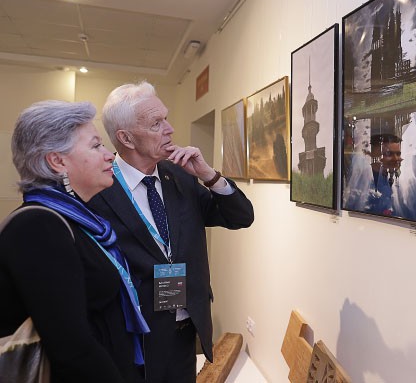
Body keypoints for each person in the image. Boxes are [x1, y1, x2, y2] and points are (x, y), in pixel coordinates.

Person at [87, 81, 255, 383]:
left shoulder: (181, 176)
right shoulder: (100, 189)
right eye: (156, 123)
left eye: (165, 118)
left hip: (185, 328)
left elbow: (241, 217)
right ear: (125, 138)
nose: (170, 128)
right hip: (133, 337)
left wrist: (209, 175)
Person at [0, 100, 150, 382]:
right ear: (57, 161)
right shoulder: (37, 227)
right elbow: (71, 348)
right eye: (95, 146)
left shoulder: (81, 221)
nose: (109, 155)